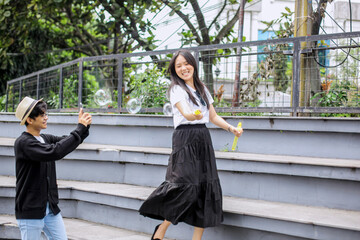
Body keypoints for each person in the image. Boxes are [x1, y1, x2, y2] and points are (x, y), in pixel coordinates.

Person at [139, 50, 243, 240]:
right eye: (178, 66)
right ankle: (161, 229)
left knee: (204, 188)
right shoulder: (176, 89)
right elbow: (185, 112)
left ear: (193, 65)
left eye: (186, 64)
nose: (183, 68)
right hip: (184, 138)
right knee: (185, 186)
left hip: (202, 138)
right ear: (174, 70)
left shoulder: (202, 89)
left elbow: (212, 117)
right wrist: (192, 115)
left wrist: (231, 129)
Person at [14, 97, 92, 240]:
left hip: (50, 209)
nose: (46, 118)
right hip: (30, 210)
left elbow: (65, 142)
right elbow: (56, 152)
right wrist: (79, 129)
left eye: (46, 114)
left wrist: (83, 128)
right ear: (30, 120)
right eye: (42, 115)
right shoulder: (23, 143)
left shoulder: (45, 138)